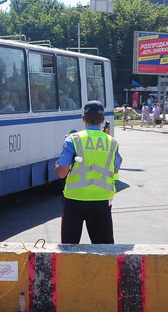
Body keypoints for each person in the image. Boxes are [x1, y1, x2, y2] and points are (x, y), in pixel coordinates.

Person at [55, 100, 122, 244]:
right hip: (101, 200)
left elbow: (61, 172)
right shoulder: (112, 142)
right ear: (103, 120)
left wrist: (57, 163)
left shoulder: (72, 140)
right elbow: (116, 168)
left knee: (69, 249)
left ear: (83, 118)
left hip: (74, 200)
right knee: (104, 251)